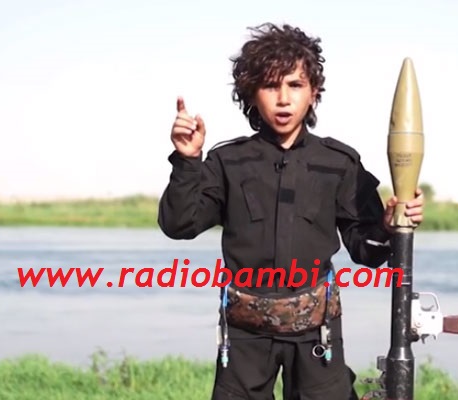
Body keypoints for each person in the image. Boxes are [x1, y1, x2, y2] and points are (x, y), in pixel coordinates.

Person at [157, 22, 424, 400]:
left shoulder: (339, 163)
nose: (283, 99)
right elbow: (178, 224)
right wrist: (188, 161)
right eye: (270, 86)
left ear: (313, 92)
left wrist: (387, 225)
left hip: (317, 335)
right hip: (244, 337)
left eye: (295, 85)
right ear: (251, 93)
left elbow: (368, 252)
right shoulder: (227, 161)